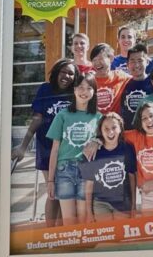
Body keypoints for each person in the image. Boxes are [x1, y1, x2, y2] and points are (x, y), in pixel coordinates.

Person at [12, 59, 76, 227]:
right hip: (47, 147)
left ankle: (62, 233)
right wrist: (23, 146)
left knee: (65, 192)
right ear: (56, 72)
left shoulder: (75, 91)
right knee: (53, 191)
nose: (67, 76)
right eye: (63, 72)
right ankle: (50, 233)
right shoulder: (45, 89)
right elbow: (37, 118)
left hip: (69, 149)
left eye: (71, 73)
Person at [45, 71, 100, 226]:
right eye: (80, 87)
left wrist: (98, 141)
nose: (84, 91)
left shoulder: (98, 117)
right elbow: (55, 149)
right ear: (74, 89)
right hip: (64, 170)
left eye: (89, 88)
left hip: (86, 170)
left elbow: (106, 138)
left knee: (83, 218)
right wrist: (50, 180)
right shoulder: (62, 115)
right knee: (68, 220)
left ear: (94, 92)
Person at [79, 112, 137, 220]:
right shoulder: (94, 152)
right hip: (101, 203)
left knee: (121, 230)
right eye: (106, 128)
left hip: (123, 203)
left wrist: (133, 205)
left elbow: (132, 177)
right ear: (100, 130)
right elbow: (89, 184)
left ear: (120, 129)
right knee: (106, 230)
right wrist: (89, 213)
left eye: (114, 127)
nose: (110, 132)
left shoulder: (127, 149)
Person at [119, 44, 153, 129]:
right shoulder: (123, 84)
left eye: (140, 60)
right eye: (132, 61)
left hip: (150, 132)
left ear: (147, 62)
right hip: (129, 133)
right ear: (127, 64)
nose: (136, 65)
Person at [90, 42, 130, 115]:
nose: (97, 63)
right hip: (94, 121)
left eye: (100, 58)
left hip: (115, 121)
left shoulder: (121, 76)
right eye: (94, 60)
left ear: (111, 58)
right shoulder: (89, 81)